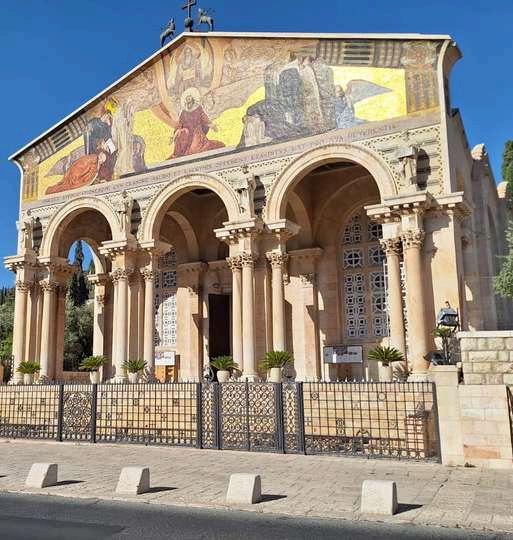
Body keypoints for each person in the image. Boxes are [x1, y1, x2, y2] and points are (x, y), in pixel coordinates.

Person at [170, 89, 224, 159]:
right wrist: (174, 137)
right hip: (186, 134)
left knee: (195, 149)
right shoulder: (184, 112)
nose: (188, 101)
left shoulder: (198, 109)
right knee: (183, 132)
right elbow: (179, 125)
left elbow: (204, 119)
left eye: (189, 99)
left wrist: (212, 126)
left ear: (193, 99)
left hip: (196, 132)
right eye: (186, 99)